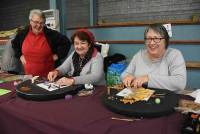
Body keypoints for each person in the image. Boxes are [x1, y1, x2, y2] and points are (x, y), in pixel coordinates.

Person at [121, 24, 186, 91]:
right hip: (139, 97)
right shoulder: (139, 55)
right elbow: (124, 74)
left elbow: (180, 83)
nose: (151, 43)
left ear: (166, 41)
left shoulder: (174, 55)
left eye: (156, 38)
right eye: (148, 38)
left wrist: (148, 78)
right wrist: (127, 76)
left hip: (166, 98)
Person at [12, 9, 71, 77]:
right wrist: (20, 55)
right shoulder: (22, 34)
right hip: (29, 76)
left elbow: (66, 42)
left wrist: (58, 55)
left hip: (49, 77)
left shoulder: (51, 34)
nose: (39, 25)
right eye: (36, 22)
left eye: (41, 23)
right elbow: (14, 43)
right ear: (30, 21)